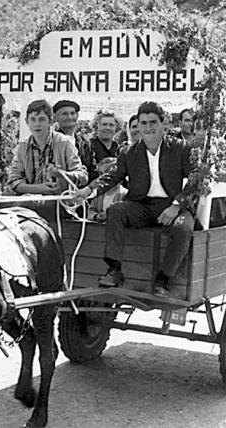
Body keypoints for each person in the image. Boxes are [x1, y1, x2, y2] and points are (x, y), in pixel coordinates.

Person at [75, 101, 196, 296]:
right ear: (138, 125)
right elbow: (111, 176)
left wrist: (176, 205)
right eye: (143, 123)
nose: (148, 128)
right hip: (142, 205)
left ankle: (162, 280)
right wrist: (88, 190)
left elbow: (196, 180)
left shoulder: (181, 148)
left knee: (183, 229)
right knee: (116, 210)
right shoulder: (129, 152)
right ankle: (114, 271)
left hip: (173, 205)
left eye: (153, 122)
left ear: (163, 123)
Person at [6, 99, 88, 220]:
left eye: (42, 119)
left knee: (26, 205)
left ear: (50, 121)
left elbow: (83, 177)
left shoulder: (64, 143)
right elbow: (13, 181)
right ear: (26, 121)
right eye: (33, 119)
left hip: (61, 204)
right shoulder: (23, 146)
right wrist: (39, 189)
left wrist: (62, 174)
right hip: (28, 201)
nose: (37, 124)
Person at [53, 99, 96, 184]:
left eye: (72, 113)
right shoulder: (51, 141)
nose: (69, 117)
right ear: (55, 117)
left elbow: (91, 170)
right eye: (64, 114)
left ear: (77, 116)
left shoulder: (85, 143)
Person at [86, 157, 127, 222]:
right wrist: (96, 216)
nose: (102, 177)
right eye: (100, 174)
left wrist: (109, 216)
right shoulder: (97, 194)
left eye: (106, 173)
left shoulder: (124, 194)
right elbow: (91, 210)